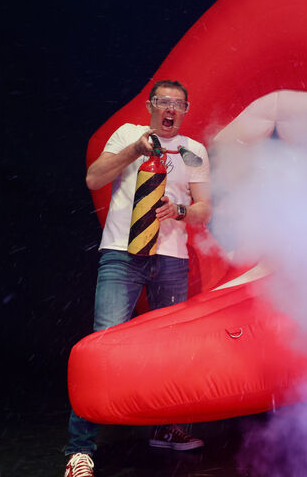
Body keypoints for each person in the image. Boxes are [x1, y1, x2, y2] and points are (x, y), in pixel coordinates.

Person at [64, 80, 212, 477]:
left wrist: (179, 210)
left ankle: (166, 427)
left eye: (178, 104)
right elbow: (94, 179)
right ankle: (80, 450)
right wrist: (136, 150)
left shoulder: (193, 151)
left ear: (185, 111)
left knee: (170, 349)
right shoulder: (129, 135)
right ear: (150, 106)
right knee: (102, 345)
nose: (170, 109)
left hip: (171, 259)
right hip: (122, 253)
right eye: (163, 102)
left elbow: (204, 210)